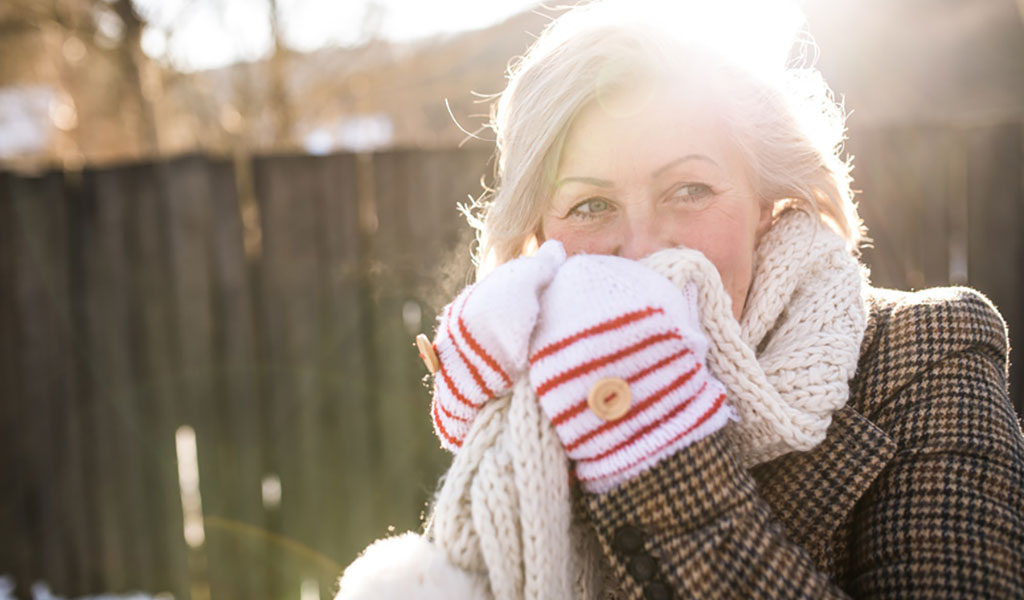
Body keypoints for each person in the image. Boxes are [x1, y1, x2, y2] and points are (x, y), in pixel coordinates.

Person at [336, 1, 1024, 598]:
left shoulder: (930, 354)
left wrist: (642, 423)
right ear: (539, 231)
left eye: (689, 190)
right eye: (591, 204)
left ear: (763, 200)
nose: (641, 250)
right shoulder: (525, 409)